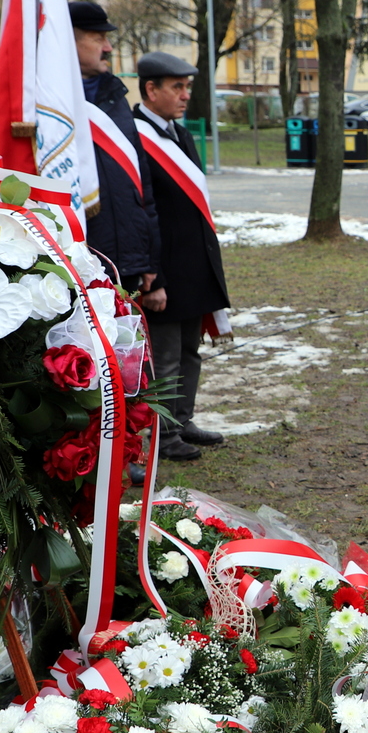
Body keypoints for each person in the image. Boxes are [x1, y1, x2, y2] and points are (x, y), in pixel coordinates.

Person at [132, 51, 231, 460]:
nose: (185, 95)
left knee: (190, 350)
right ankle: (161, 435)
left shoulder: (180, 134)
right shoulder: (134, 136)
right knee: (165, 359)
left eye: (187, 87)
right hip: (164, 270)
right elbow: (142, 211)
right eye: (177, 87)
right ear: (151, 89)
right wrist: (152, 275)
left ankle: (181, 421)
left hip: (193, 265)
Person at [70, 1, 162, 319]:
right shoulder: (37, 104)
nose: (108, 47)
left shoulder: (116, 97)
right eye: (97, 38)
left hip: (126, 267)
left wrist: (148, 261)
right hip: (70, 270)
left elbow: (141, 184)